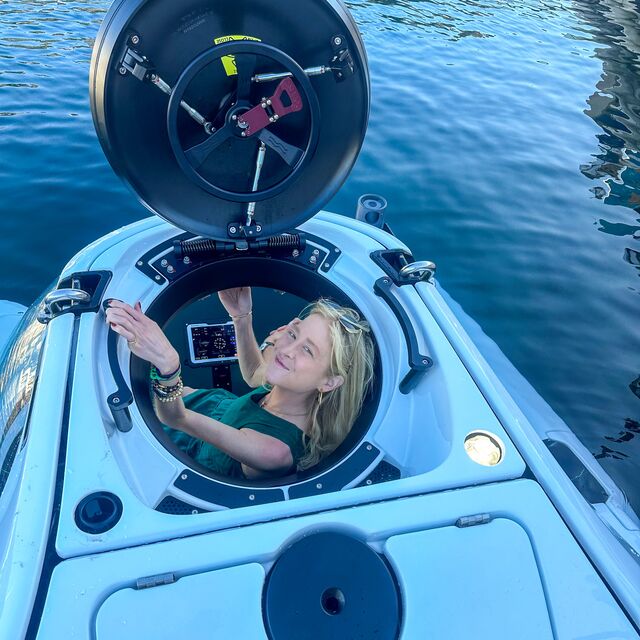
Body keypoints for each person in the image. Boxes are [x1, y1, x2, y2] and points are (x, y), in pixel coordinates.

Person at [105, 288, 374, 479]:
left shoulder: (274, 452)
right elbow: (256, 372)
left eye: (308, 351)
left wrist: (167, 364)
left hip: (187, 433)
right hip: (210, 406)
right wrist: (241, 316)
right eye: (293, 333)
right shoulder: (291, 387)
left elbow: (178, 418)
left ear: (329, 382)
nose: (287, 349)